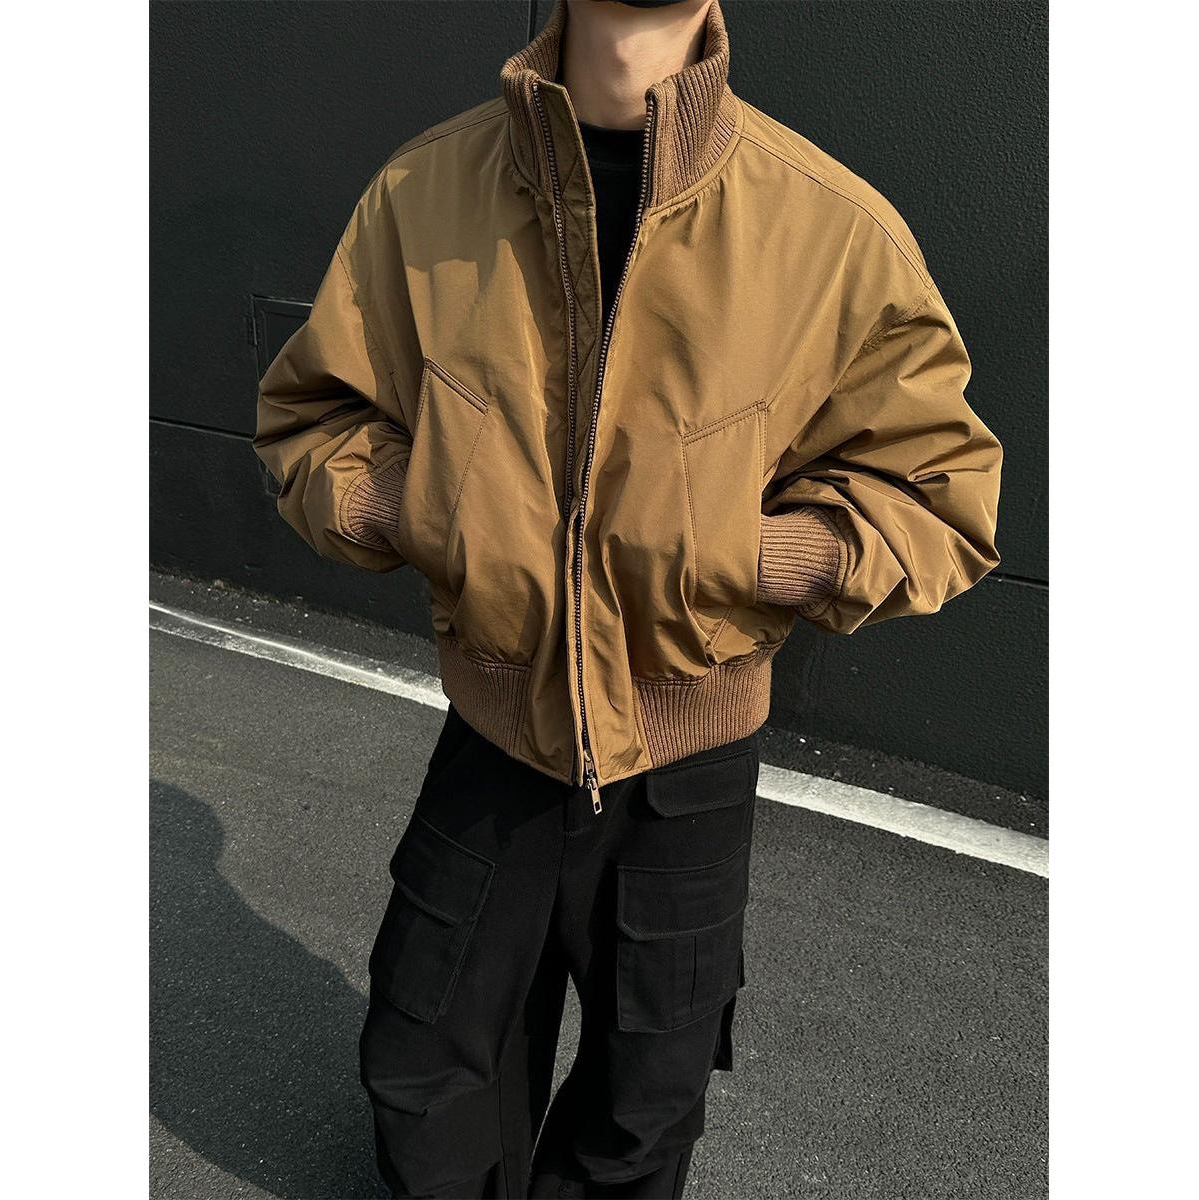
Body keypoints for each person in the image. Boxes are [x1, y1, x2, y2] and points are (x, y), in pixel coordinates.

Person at [252, 0, 1003, 1195]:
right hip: (498, 728)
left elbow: (937, 497)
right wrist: (430, 509)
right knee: (423, 1061)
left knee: (641, 1108)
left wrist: (746, 556)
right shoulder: (425, 192)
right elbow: (315, 421)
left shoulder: (829, 229)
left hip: (686, 754)